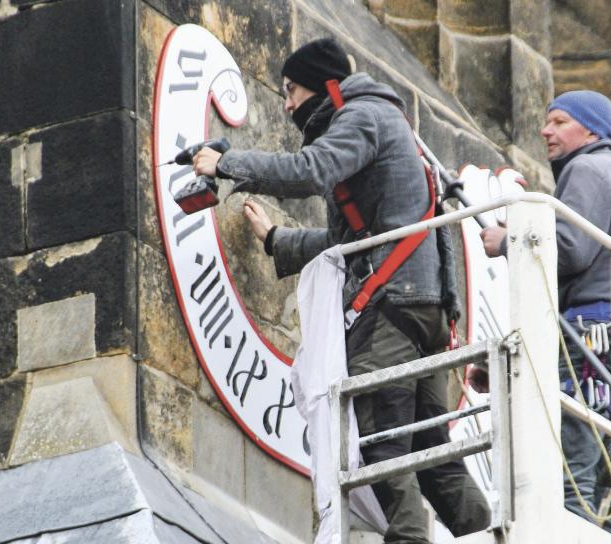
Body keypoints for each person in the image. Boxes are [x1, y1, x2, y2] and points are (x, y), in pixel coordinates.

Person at [193, 38, 490, 543]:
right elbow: (347, 241)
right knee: (432, 451)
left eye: (291, 90)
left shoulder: (360, 117)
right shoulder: (388, 123)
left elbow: (311, 171)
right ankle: (495, 531)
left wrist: (224, 164)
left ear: (325, 84)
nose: (286, 104)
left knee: (384, 442)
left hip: (391, 308)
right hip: (425, 310)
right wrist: (278, 241)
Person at [474, 90, 611, 537]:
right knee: (595, 476)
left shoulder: (587, 169)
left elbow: (569, 251)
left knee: (567, 475)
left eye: (558, 122)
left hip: (590, 336)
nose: (544, 131)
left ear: (591, 129)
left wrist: (508, 239)